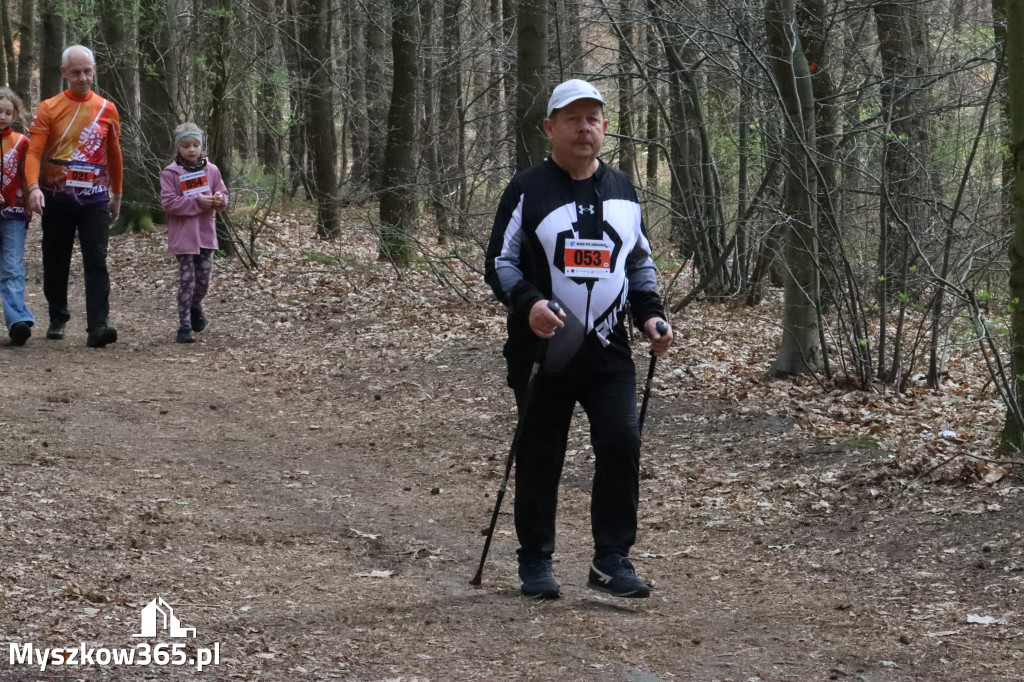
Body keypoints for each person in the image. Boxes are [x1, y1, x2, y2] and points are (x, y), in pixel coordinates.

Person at [484, 79, 673, 599]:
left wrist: (651, 317)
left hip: (610, 352)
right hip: (544, 351)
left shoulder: (624, 190)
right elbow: (498, 262)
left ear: (605, 128)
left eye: (593, 118)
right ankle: (535, 562)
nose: (584, 127)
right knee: (541, 452)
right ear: (550, 128)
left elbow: (638, 262)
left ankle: (611, 560)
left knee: (621, 444)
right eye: (572, 118)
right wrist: (529, 306)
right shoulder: (527, 189)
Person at [25, 44, 123, 348]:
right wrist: (33, 188)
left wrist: (117, 193)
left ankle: (98, 326)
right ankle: (58, 314)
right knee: (56, 261)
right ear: (64, 73)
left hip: (94, 198)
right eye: (76, 72)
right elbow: (34, 152)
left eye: (87, 71)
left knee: (97, 260)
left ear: (94, 70)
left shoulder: (107, 109)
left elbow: (114, 154)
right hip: (57, 197)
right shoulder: (49, 108)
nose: (83, 77)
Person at [160, 123, 228, 344]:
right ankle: (184, 326)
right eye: (186, 145)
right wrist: (198, 202)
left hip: (206, 235)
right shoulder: (170, 173)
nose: (191, 150)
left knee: (203, 281)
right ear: (178, 148)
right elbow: (169, 203)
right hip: (183, 237)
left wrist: (219, 200)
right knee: (186, 281)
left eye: (195, 145)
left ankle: (195, 305)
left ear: (201, 146)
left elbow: (222, 193)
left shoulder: (212, 170)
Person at [0, 87, 34, 346]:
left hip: (13, 214)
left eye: (7, 112)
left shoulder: (22, 143)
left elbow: (27, 175)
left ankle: (17, 321)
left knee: (12, 267)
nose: (2, 116)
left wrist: (30, 199)